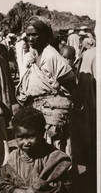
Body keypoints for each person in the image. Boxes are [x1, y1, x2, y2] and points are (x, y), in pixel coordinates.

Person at [0, 107, 72, 193]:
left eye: (31, 136)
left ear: (42, 133)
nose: (26, 142)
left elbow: (64, 186)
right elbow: (2, 183)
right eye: (20, 137)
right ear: (14, 135)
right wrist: (16, 192)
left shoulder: (54, 158)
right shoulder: (13, 158)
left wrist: (36, 190)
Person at [16, 16, 75, 155]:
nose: (31, 39)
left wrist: (58, 85)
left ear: (44, 35)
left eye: (35, 35)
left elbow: (71, 79)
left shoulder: (50, 55)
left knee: (55, 149)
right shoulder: (35, 54)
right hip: (40, 109)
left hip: (52, 110)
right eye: (28, 35)